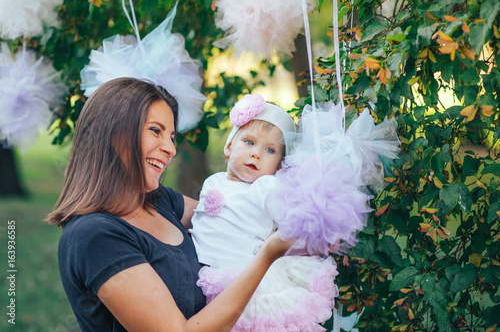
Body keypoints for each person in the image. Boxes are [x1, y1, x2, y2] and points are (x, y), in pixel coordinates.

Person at [47, 78, 296, 332]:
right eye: (156, 130)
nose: (170, 149)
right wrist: (267, 255)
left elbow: (234, 215)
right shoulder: (95, 236)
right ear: (114, 132)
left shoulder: (157, 201)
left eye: (172, 136)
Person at [190, 94, 339, 331]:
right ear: (229, 146)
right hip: (210, 276)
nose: (256, 154)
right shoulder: (214, 181)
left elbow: (290, 215)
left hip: (247, 279)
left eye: (270, 150)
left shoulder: (265, 188)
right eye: (249, 142)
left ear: (278, 166)